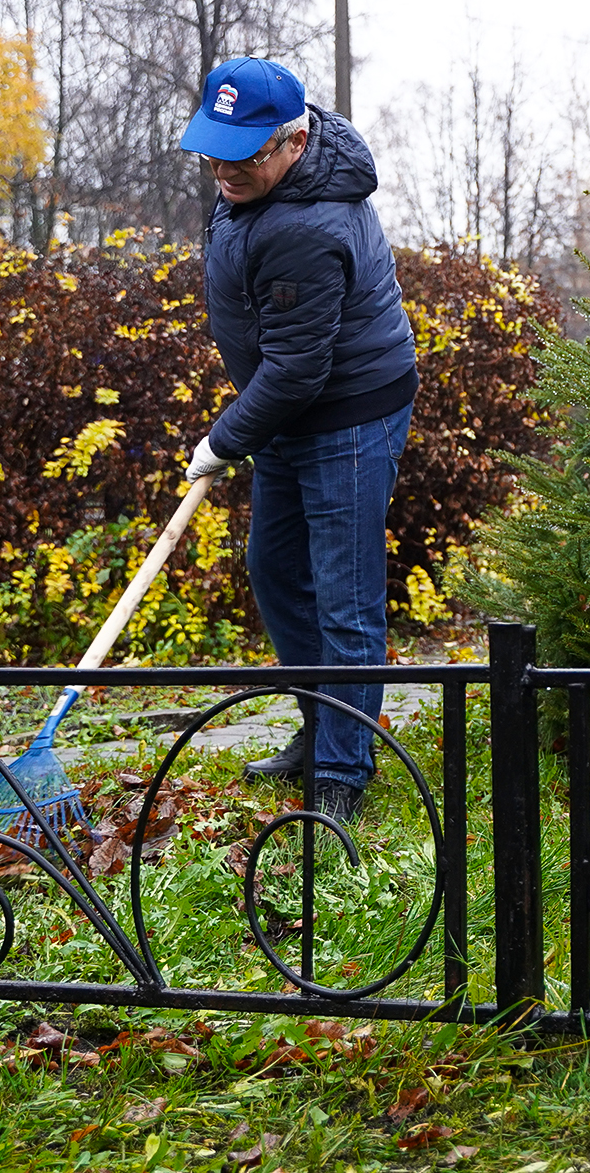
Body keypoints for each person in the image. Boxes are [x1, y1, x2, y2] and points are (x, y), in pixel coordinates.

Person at [179, 55, 419, 825]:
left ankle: (341, 777)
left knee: (345, 597)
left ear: (292, 140)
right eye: (215, 149)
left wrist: (222, 440)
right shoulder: (250, 184)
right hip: (285, 408)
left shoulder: (312, 224)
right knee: (275, 565)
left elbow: (296, 369)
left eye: (243, 153)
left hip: (348, 413)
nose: (223, 168)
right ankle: (322, 729)